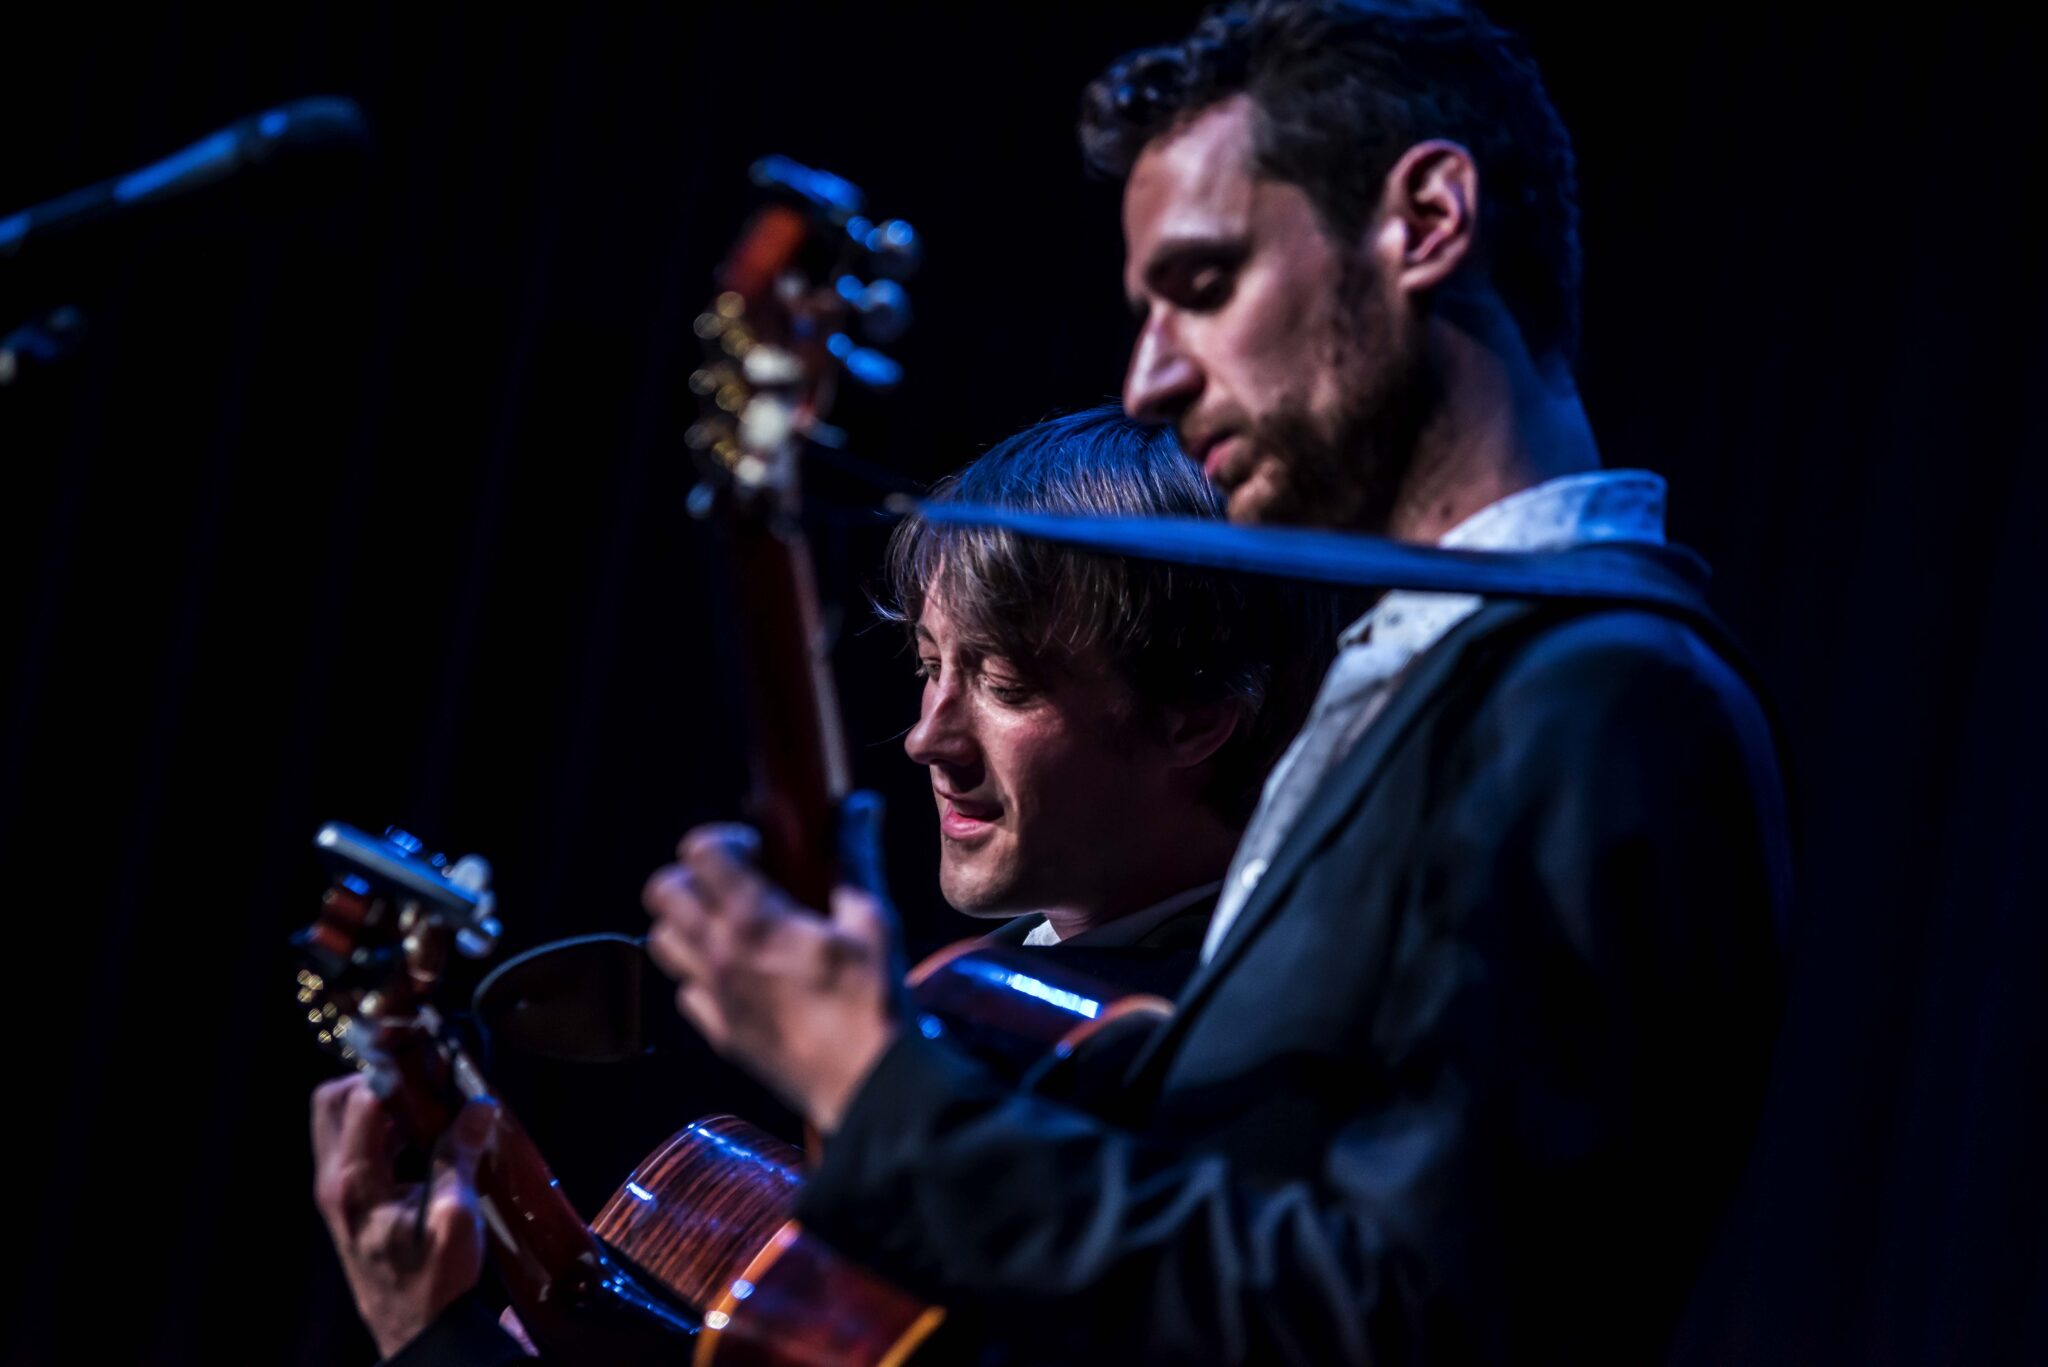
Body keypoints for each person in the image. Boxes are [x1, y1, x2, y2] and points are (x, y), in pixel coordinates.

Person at [639, 3, 1790, 1363]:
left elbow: (1406, 1321)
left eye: (1202, 286)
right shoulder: (1454, 680)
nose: (1153, 380)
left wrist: (877, 1093)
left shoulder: (1603, 700)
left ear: (1425, 219)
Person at [309, 408, 1325, 1363]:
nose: (927, 732)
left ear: (1194, 715)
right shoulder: (984, 1002)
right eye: (929, 664)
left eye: (1005, 686)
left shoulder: (1249, 1077)